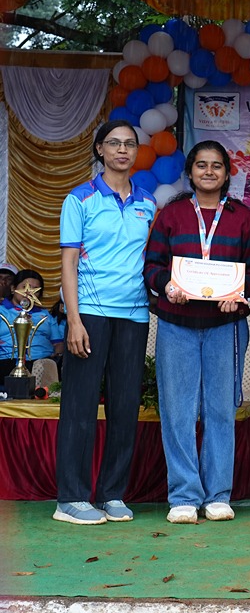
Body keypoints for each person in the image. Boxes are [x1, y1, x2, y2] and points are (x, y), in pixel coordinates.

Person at [143, 140, 250, 524]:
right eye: (201, 165)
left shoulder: (243, 218)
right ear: (191, 172)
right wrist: (167, 285)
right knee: (177, 412)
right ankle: (183, 495)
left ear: (227, 174)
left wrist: (238, 294)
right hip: (177, 324)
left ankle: (217, 495)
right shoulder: (172, 214)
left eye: (216, 166)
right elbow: (152, 265)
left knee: (220, 410)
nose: (209, 172)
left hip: (225, 327)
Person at [55, 119, 156, 525]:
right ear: (100, 149)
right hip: (91, 314)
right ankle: (71, 498)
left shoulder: (148, 203)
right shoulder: (79, 199)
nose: (122, 150)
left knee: (125, 406)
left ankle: (113, 493)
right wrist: (73, 320)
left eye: (129, 144)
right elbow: (68, 263)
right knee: (79, 405)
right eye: (114, 143)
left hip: (134, 314)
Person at [0, 270, 64, 378]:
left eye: (35, 289)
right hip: (6, 361)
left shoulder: (45, 315)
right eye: (25, 287)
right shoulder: (2, 311)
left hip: (42, 362)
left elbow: (58, 343)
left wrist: (57, 355)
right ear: (13, 288)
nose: (29, 292)